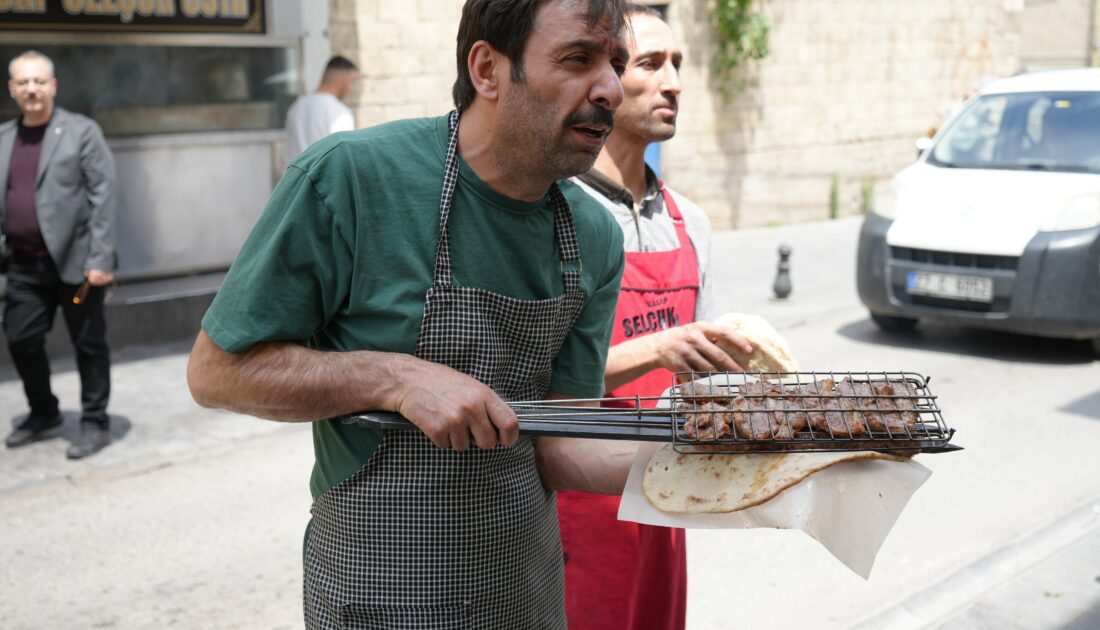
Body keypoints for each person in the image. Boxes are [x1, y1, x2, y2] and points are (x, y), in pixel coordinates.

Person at [186, 0, 636, 626]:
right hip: (377, 596)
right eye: (579, 58)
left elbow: (558, 444)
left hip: (524, 593)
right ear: (487, 70)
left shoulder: (595, 235)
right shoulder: (351, 178)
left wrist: (693, 461)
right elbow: (217, 373)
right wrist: (395, 379)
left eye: (616, 63)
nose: (613, 88)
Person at [560, 6, 752, 629]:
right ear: (608, 82)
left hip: (665, 497)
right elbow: (535, 386)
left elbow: (705, 381)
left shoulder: (689, 221)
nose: (674, 83)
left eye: (678, 65)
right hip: (575, 506)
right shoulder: (557, 216)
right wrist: (661, 348)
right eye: (651, 64)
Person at [1, 51, 117, 460]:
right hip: (23, 265)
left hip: (78, 265)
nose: (31, 89)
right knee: (20, 339)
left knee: (88, 344)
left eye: (39, 81)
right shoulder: (4, 138)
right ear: (12, 89)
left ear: (53, 86)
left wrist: (101, 257)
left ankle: (95, 421)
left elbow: (103, 195)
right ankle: (44, 412)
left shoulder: (81, 131)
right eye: (23, 82)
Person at [283, 55, 358, 168]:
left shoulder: (297, 106)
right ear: (341, 79)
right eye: (351, 81)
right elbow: (343, 158)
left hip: (295, 180)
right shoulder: (339, 112)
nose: (350, 88)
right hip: (321, 182)